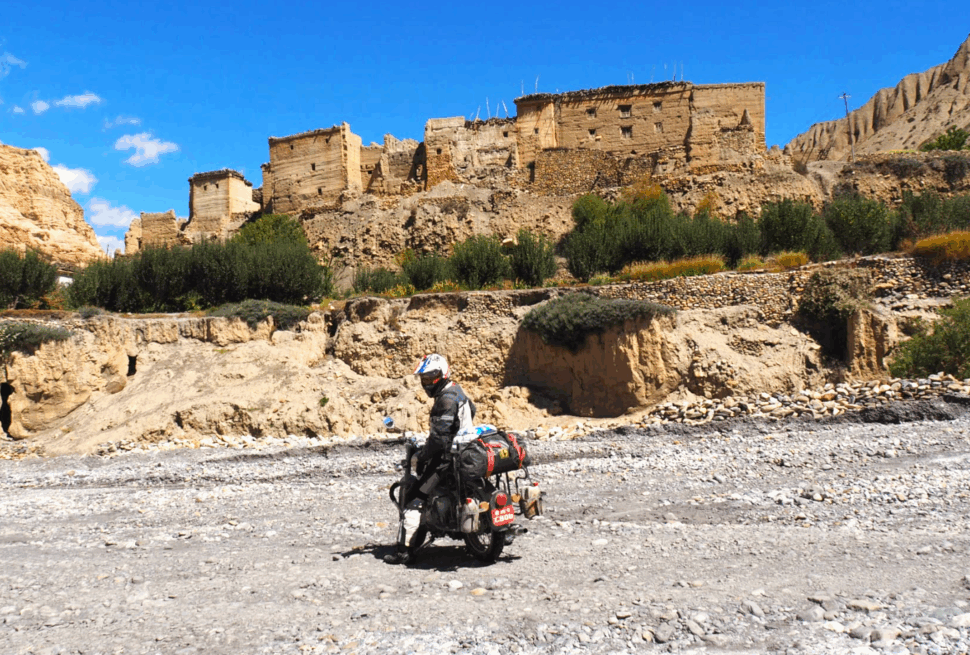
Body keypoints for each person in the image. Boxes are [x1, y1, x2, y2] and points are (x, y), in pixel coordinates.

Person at [385, 353, 476, 564]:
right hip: (465, 452)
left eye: (430, 377)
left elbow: (439, 438)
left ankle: (404, 552)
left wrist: (422, 455)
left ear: (443, 373)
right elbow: (472, 410)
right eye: (424, 378)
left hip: (447, 461)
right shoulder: (458, 391)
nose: (427, 382)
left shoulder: (445, 399)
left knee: (415, 499)